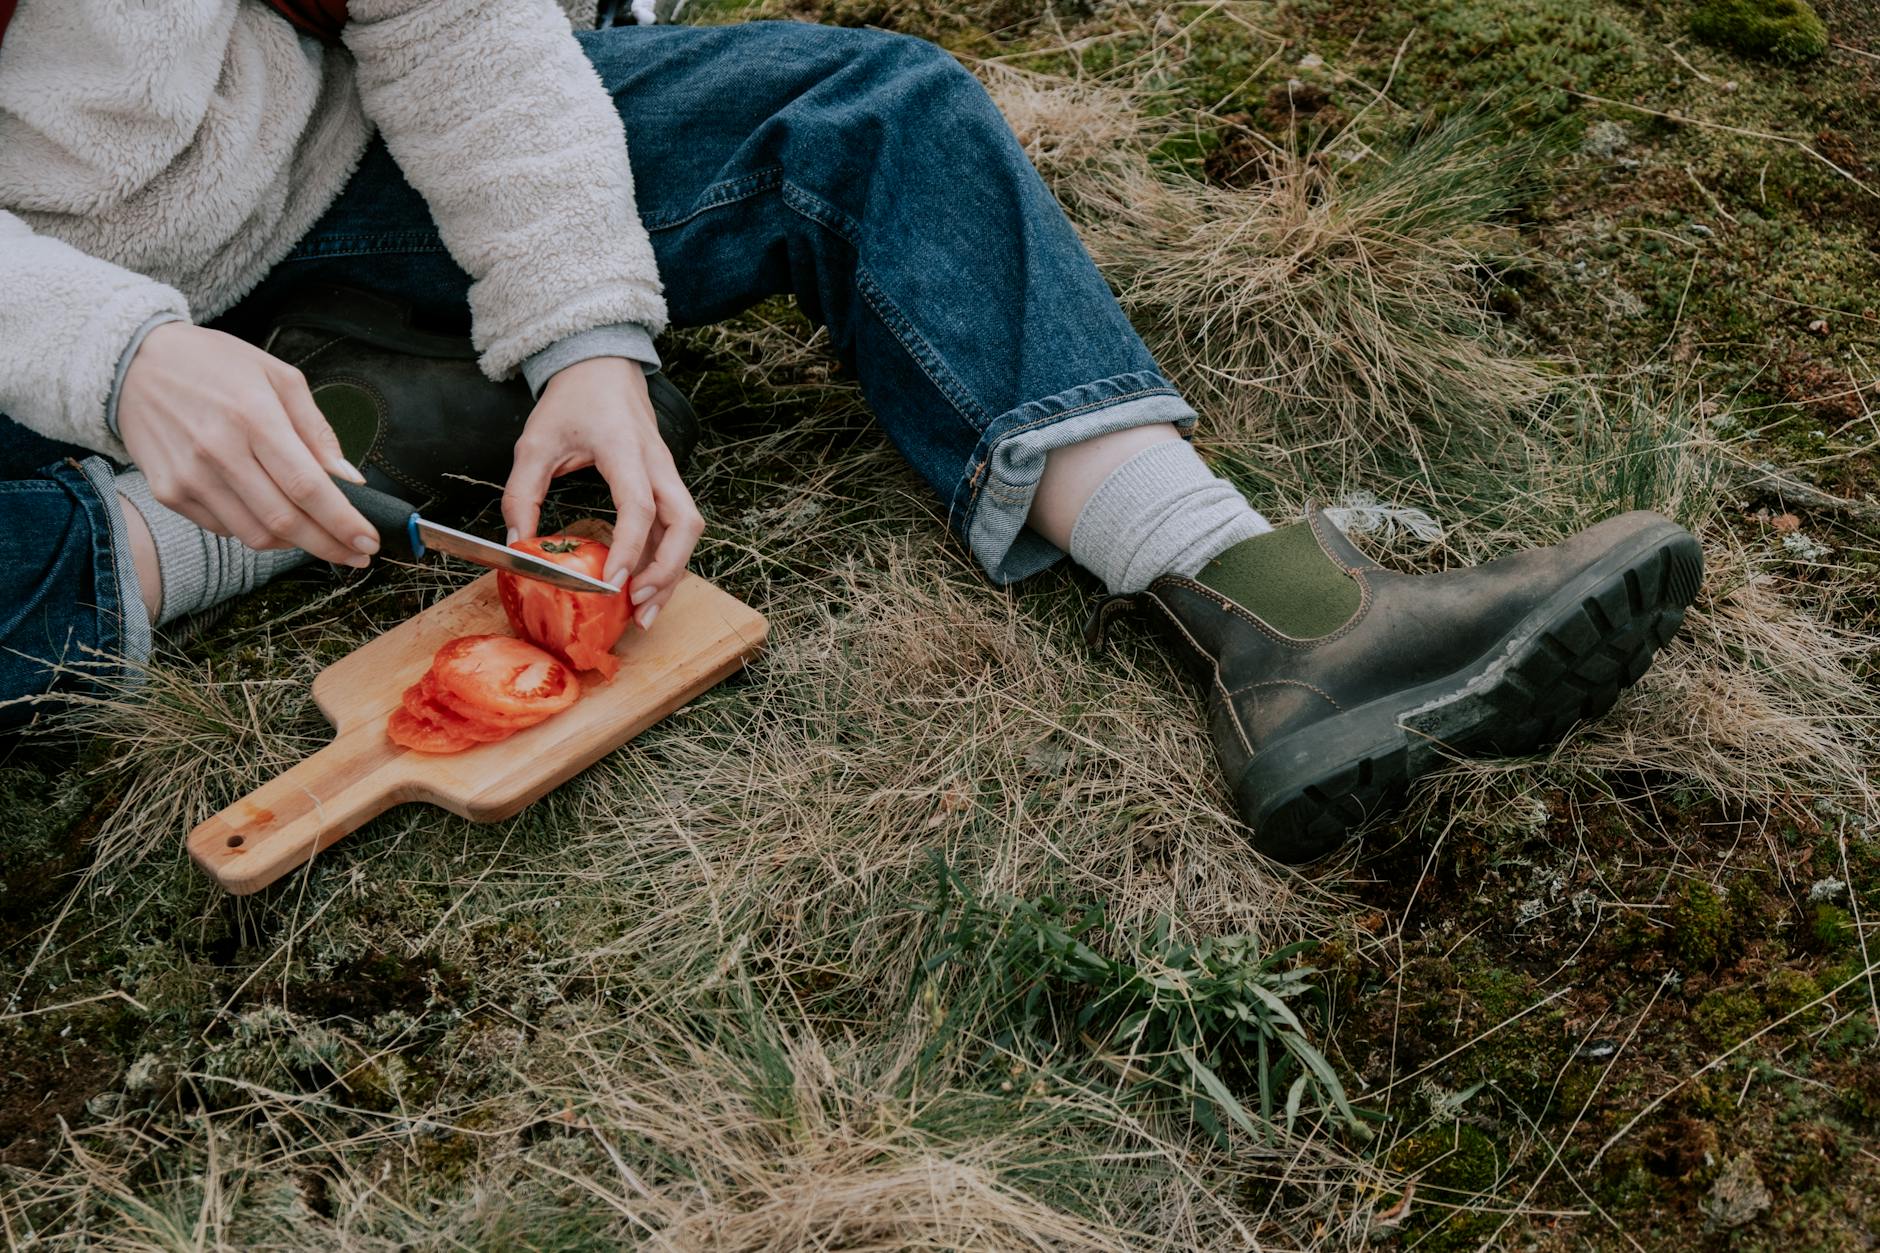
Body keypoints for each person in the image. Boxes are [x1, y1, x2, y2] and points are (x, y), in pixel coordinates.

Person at [0, 1, 1701, 864]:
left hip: (325, 176)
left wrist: (585, 328)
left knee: (870, 112)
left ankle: (1266, 605)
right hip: (36, 328)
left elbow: (451, 27)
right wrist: (126, 360)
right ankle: (223, 503)